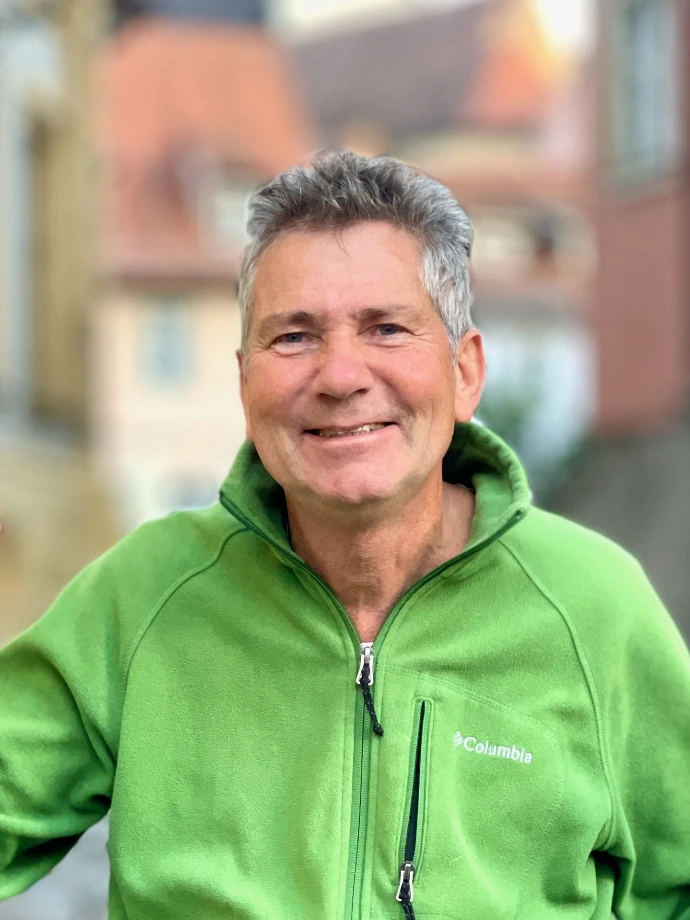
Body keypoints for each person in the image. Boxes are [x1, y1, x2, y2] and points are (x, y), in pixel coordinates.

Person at [1, 151, 689, 920]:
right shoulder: (142, 598)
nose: (339, 376)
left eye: (386, 329)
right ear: (245, 383)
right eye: (294, 337)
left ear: (465, 373)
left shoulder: (595, 612)